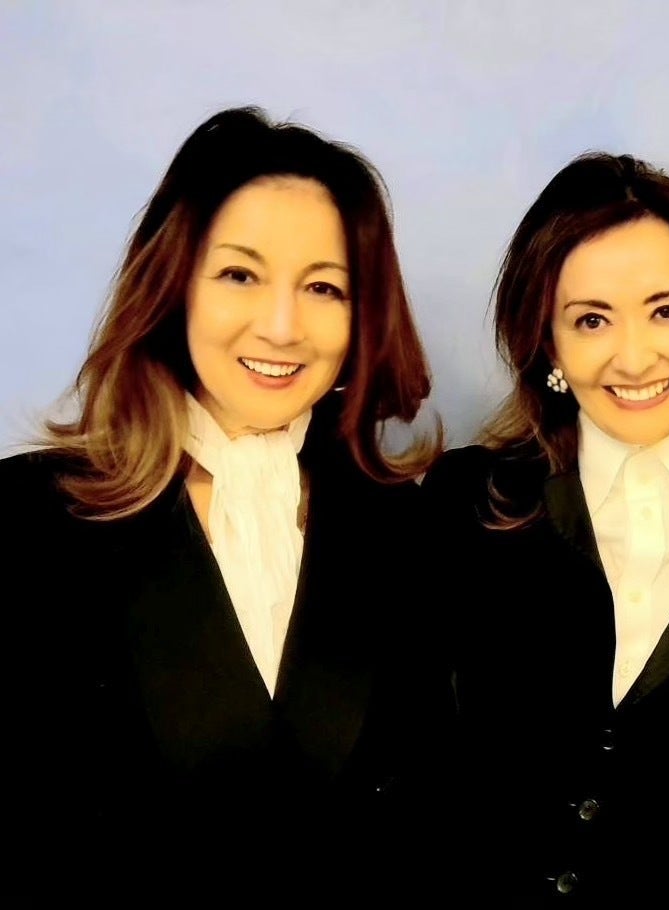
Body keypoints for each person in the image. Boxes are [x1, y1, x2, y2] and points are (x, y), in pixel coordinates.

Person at [0, 107, 451, 902]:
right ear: (174, 284)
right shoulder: (23, 517)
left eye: (323, 287)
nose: (281, 327)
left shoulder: (407, 529)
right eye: (240, 275)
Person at [422, 152, 669, 907]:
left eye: (667, 310)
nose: (634, 357)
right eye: (591, 320)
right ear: (548, 344)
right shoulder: (466, 499)